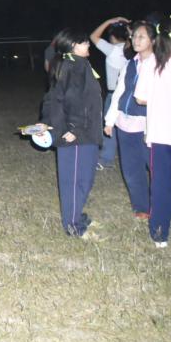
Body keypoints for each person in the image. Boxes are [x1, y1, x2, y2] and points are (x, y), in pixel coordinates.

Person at [30, 28, 103, 239]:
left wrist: (45, 121)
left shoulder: (75, 64)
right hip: (76, 133)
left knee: (85, 179)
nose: (88, 45)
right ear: (72, 46)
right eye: (84, 42)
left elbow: (53, 97)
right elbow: (68, 99)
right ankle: (72, 225)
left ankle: (76, 216)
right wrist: (73, 127)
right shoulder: (74, 65)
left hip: (86, 131)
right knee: (74, 182)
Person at [133, 13, 171, 248]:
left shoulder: (152, 61)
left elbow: (140, 98)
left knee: (160, 183)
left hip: (162, 133)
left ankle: (160, 235)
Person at [104, 20, 154, 219]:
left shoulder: (161, 65)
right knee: (132, 169)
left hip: (148, 125)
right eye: (134, 36)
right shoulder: (130, 64)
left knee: (158, 169)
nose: (135, 40)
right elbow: (119, 92)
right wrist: (110, 120)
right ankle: (142, 207)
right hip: (124, 125)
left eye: (141, 36)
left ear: (153, 40)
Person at [91, 16, 131, 170]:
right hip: (130, 93)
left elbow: (93, 36)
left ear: (113, 36)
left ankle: (106, 159)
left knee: (110, 125)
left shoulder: (113, 50)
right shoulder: (132, 49)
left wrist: (110, 21)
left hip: (114, 93)